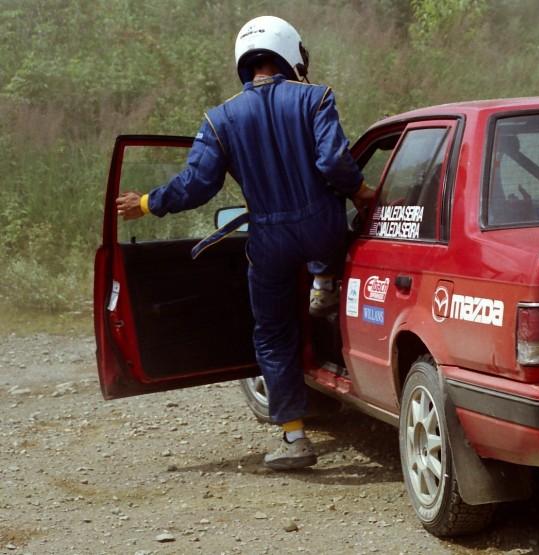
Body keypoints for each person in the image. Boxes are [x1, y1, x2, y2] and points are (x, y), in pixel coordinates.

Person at [116, 15, 375, 470]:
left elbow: (197, 184)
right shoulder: (316, 98)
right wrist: (361, 192)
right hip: (322, 228)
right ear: (291, 54)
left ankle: (294, 439)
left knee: (273, 335)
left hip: (270, 239)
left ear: (245, 62)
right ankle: (325, 281)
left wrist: (147, 203)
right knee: (336, 241)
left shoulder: (220, 119)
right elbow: (334, 162)